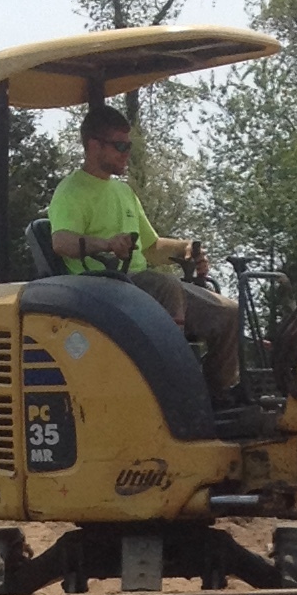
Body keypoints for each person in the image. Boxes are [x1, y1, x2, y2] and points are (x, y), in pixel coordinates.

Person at [47, 105, 243, 402]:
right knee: (166, 286)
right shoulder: (71, 191)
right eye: (120, 146)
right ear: (93, 145)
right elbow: (61, 242)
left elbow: (151, 248)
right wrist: (107, 244)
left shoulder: (123, 192)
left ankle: (218, 397)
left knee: (228, 312)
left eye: (129, 146)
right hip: (102, 291)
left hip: (138, 285)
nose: (126, 153)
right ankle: (175, 393)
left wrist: (184, 248)